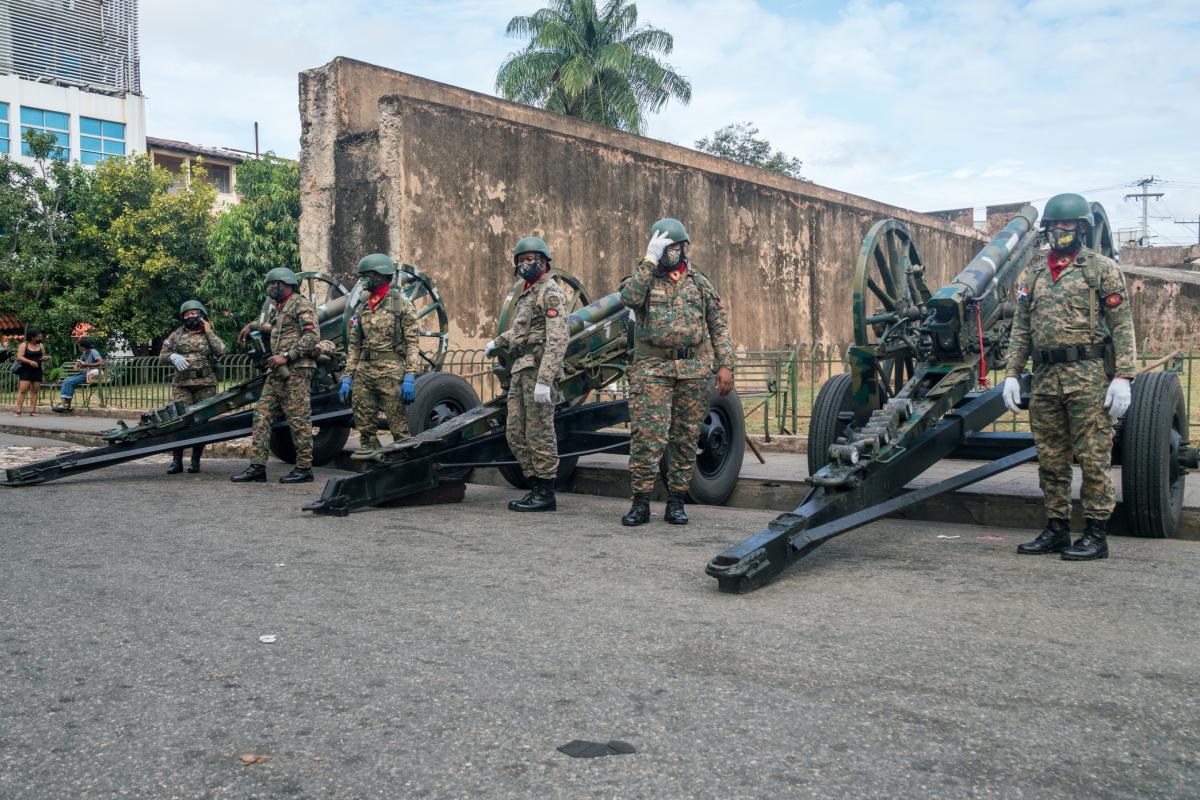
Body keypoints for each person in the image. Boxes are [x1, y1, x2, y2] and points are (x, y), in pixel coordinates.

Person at [1003, 192, 1136, 561]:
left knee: (1093, 458)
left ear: (1081, 228)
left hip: (1088, 376)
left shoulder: (1100, 269)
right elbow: (1022, 327)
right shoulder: (1036, 272)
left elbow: (1121, 324)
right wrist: (1013, 372)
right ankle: (1057, 528)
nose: (1061, 231)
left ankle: (1096, 533)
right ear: (1046, 229)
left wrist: (1123, 375)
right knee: (1051, 459)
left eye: (1068, 225)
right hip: (1045, 377)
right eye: (1055, 226)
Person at [618, 218, 734, 526]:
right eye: (664, 247)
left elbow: (718, 325)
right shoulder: (643, 277)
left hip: (693, 369)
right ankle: (640, 503)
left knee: (685, 437)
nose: (671, 252)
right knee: (647, 437)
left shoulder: (699, 282)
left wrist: (725, 365)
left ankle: (676, 502)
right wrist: (648, 260)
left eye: (675, 247)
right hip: (652, 369)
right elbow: (627, 298)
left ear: (684, 248)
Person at [484, 236, 569, 512]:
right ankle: (534, 486)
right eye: (521, 260)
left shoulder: (550, 291)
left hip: (538, 370)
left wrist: (546, 380)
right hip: (521, 370)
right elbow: (522, 331)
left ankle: (546, 492)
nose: (525, 264)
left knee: (539, 433)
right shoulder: (528, 292)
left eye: (530, 259)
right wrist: (497, 342)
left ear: (543, 262)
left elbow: (557, 338)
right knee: (515, 433)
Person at [231, 267, 319, 484]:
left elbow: (312, 335)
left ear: (285, 284)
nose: (270, 287)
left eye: (273, 284)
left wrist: (287, 356)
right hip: (277, 372)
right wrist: (253, 325)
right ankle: (257, 467)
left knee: (298, 420)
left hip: (296, 370)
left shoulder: (300, 304)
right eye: (269, 284)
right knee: (261, 415)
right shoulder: (279, 308)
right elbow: (277, 329)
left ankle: (304, 469)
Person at [341, 254, 420, 454]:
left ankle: (404, 468)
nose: (364, 279)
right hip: (363, 373)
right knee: (365, 428)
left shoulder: (401, 304)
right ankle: (374, 468)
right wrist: (348, 377)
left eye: (369, 274)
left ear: (384, 276)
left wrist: (410, 376)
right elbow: (355, 346)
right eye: (363, 275)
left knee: (398, 428)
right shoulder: (362, 308)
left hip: (391, 372)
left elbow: (412, 343)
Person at [159, 300, 226, 474]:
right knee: (179, 421)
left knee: (201, 423)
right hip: (182, 385)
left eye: (194, 313)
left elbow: (220, 351)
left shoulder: (209, 334)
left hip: (205, 384)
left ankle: (195, 461)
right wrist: (173, 356)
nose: (190, 316)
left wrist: (209, 331)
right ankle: (176, 461)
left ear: (202, 315)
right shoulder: (175, 335)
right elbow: (162, 355)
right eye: (187, 314)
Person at [52, 338, 105, 414]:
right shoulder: (84, 354)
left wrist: (87, 364)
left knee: (69, 382)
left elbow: (101, 362)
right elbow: (76, 366)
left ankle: (64, 404)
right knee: (66, 381)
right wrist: (77, 367)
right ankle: (66, 405)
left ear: (83, 347)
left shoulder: (94, 352)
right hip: (83, 374)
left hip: (90, 375)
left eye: (79, 346)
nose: (79, 348)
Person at [13, 328, 51, 416]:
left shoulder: (40, 345)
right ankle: (18, 411)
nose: (39, 338)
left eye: (40, 337)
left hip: (37, 370)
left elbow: (41, 357)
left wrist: (45, 358)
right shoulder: (24, 345)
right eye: (37, 337)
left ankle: (32, 411)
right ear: (32, 337)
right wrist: (30, 362)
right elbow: (19, 357)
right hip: (25, 369)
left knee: (35, 390)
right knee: (23, 389)